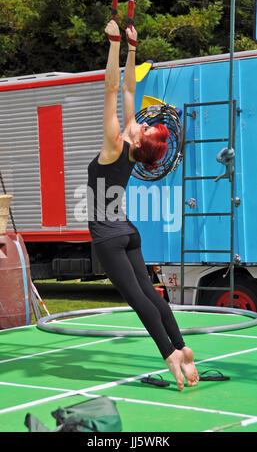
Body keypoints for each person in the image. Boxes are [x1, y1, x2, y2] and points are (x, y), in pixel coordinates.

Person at [87, 19, 199, 391]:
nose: (142, 123)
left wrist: (114, 43)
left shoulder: (113, 145)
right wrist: (133, 48)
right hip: (128, 232)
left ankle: (169, 356)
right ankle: (183, 348)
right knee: (150, 295)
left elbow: (111, 89)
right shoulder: (130, 147)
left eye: (145, 128)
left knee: (140, 300)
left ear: (137, 142)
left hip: (108, 237)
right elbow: (130, 87)